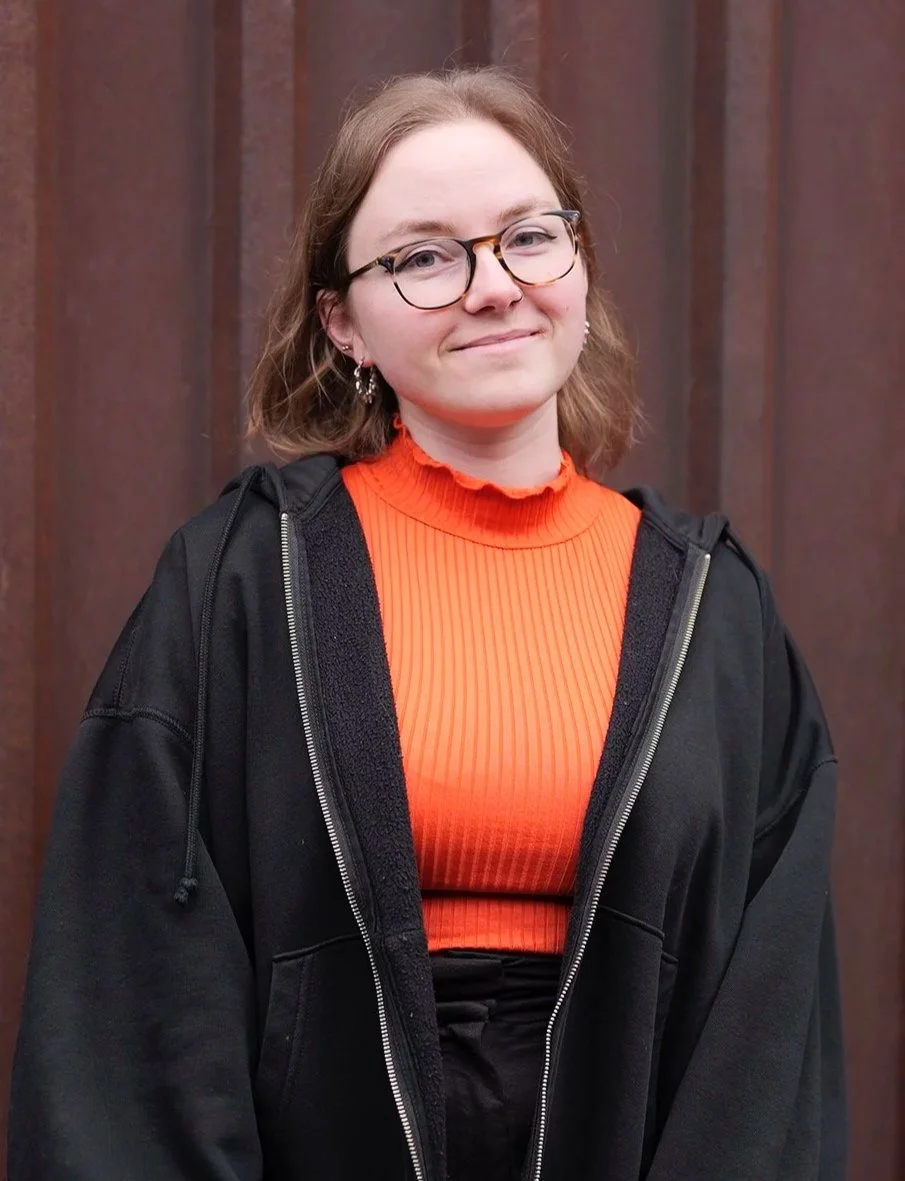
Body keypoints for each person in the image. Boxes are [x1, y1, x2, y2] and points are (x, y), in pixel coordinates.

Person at [9, 67, 847, 1180]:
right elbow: (133, 1000)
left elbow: (765, 1031)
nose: (492, 286)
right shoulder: (241, 585)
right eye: (422, 256)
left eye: (527, 236)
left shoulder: (716, 612)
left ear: (579, 269)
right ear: (342, 322)